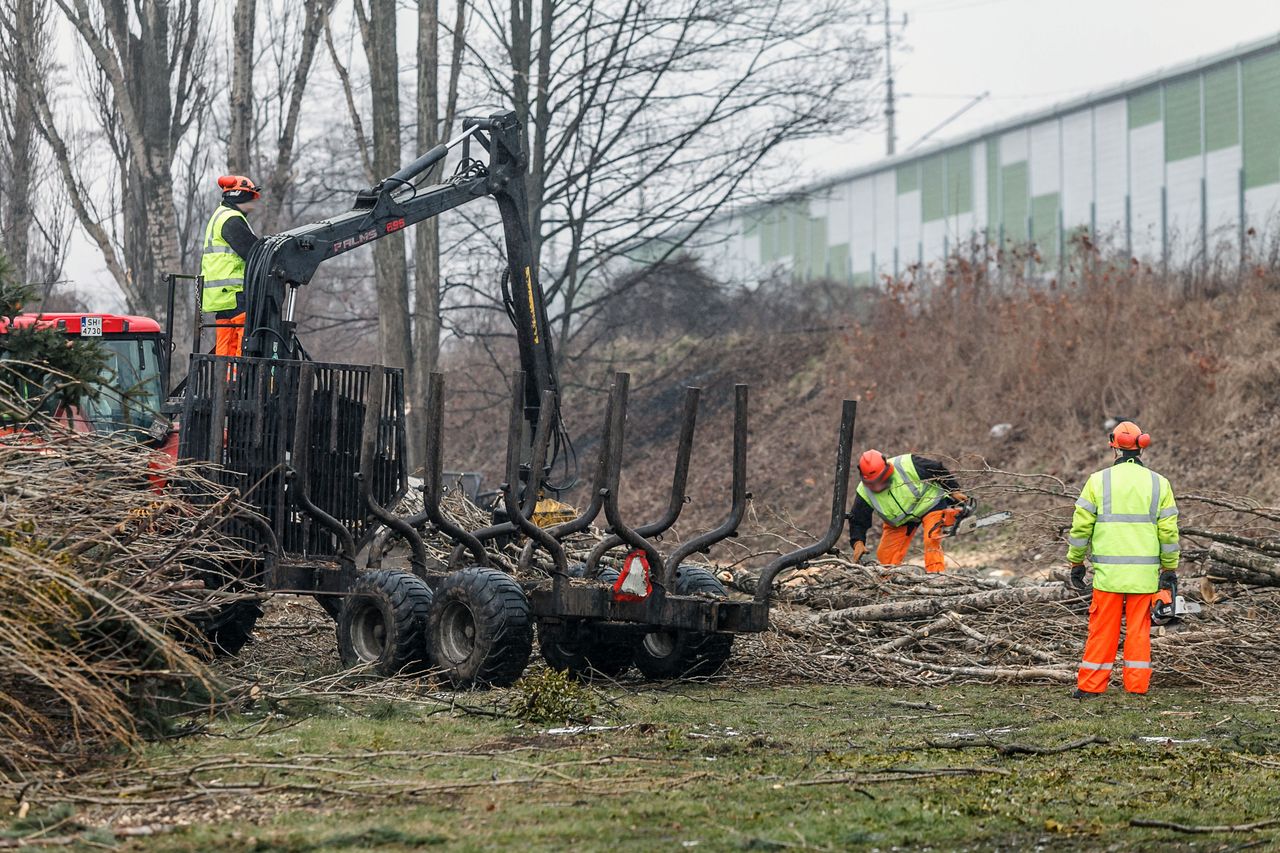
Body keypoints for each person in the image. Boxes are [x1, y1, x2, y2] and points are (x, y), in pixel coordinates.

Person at [1067, 420, 1179, 698]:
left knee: (1103, 630)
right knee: (1139, 632)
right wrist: (1169, 568)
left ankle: (1091, 687)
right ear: (1141, 447)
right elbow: (1168, 532)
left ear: (1113, 447)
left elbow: (1080, 529)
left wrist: (1076, 562)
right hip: (1144, 577)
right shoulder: (1159, 483)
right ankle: (1137, 686)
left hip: (1108, 576)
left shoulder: (1098, 481)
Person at [847, 449, 968, 573]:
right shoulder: (864, 492)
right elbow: (858, 519)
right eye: (874, 483)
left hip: (929, 504)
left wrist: (954, 490)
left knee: (931, 539)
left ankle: (937, 577)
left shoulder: (906, 464)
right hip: (900, 521)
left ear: (887, 469)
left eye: (881, 480)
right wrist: (858, 542)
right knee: (885, 556)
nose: (878, 486)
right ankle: (887, 587)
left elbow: (936, 469)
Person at [200, 175, 262, 357]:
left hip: (221, 295)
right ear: (242, 196)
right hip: (234, 292)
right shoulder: (231, 218)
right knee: (240, 343)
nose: (255, 202)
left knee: (225, 342)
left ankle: (225, 382)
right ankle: (238, 381)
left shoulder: (219, 216)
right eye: (252, 196)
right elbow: (253, 252)